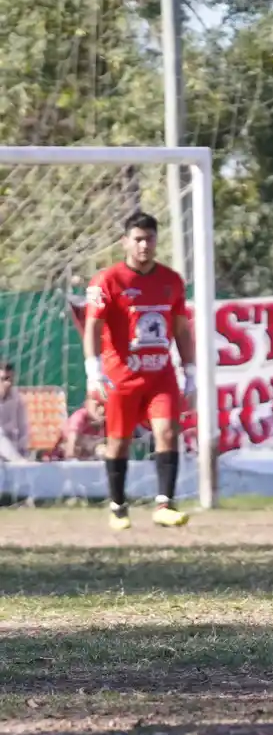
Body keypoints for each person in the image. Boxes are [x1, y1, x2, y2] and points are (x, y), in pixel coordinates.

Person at [84, 212, 196, 530]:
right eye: (138, 239)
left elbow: (181, 329)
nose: (144, 245)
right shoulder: (108, 280)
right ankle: (118, 506)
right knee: (119, 442)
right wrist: (94, 370)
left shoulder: (171, 281)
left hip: (161, 375)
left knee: (168, 432)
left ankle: (164, 504)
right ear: (125, 242)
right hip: (122, 376)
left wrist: (191, 371)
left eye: (149, 238)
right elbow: (93, 325)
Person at [57, 392, 108, 460]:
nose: (102, 410)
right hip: (63, 457)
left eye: (104, 406)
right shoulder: (80, 416)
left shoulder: (106, 424)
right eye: (98, 405)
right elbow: (71, 441)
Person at [0, 361, 28, 461]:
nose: (8, 383)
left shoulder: (17, 398)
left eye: (10, 379)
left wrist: (22, 450)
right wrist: (18, 460)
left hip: (13, 451)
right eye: (3, 379)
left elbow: (23, 427)